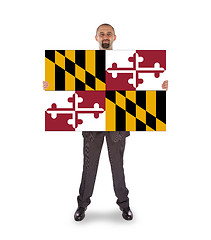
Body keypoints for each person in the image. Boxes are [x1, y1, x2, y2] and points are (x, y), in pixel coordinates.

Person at [43, 23, 168, 222]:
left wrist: (159, 86)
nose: (105, 36)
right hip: (93, 123)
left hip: (117, 123)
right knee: (89, 166)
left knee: (117, 166)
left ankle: (124, 204)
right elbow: (70, 87)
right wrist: (51, 85)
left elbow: (140, 86)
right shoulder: (84, 64)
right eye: (102, 34)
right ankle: (82, 205)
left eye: (108, 33)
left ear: (114, 37)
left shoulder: (126, 63)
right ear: (96, 38)